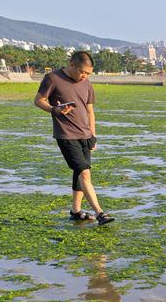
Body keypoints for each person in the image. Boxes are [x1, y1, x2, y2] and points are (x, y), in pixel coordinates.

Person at [33, 51, 115, 225]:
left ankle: (76, 211)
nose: (85, 76)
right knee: (84, 173)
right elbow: (38, 100)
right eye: (82, 72)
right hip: (66, 135)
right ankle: (100, 213)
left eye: (88, 74)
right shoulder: (53, 78)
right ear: (72, 65)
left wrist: (93, 135)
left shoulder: (87, 84)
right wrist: (53, 110)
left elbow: (90, 110)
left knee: (81, 173)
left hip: (85, 134)